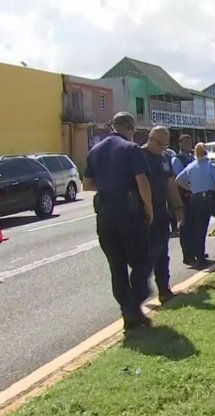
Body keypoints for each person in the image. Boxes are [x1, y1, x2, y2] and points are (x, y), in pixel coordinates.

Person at [82, 112, 154, 330]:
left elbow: (87, 185)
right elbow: (142, 181)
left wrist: (108, 186)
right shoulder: (130, 148)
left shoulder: (95, 150)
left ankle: (129, 316)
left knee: (117, 267)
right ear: (130, 127)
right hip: (128, 212)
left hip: (104, 213)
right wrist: (148, 207)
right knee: (142, 261)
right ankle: (134, 304)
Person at [140, 126, 184, 303]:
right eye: (160, 144)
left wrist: (179, 208)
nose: (162, 149)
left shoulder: (164, 158)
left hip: (161, 210)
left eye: (165, 145)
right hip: (143, 212)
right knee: (146, 255)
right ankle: (140, 293)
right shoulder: (138, 156)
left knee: (162, 251)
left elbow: (171, 184)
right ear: (150, 138)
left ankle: (164, 289)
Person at [174, 143, 215, 268]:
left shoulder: (191, 165)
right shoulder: (210, 166)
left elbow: (177, 180)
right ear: (206, 152)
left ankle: (198, 256)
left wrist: (191, 188)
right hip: (209, 197)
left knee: (198, 229)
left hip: (194, 199)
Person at [172, 134, 195, 261]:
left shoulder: (193, 158)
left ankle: (196, 251)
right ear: (180, 144)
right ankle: (188, 255)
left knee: (194, 225)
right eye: (185, 142)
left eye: (189, 142)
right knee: (185, 226)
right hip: (183, 197)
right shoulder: (177, 159)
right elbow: (176, 180)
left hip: (193, 196)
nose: (188, 145)